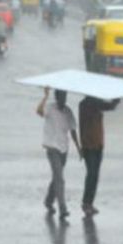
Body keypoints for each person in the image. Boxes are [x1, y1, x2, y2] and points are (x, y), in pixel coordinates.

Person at [36, 88, 81, 218]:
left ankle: (48, 201)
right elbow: (39, 111)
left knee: (57, 177)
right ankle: (63, 208)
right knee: (60, 179)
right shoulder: (50, 108)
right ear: (57, 97)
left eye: (65, 96)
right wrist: (45, 97)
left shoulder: (68, 111)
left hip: (63, 149)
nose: (63, 98)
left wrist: (79, 148)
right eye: (61, 96)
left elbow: (73, 131)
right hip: (51, 148)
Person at [79, 96, 120, 216]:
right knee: (91, 174)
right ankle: (86, 203)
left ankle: (89, 203)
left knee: (95, 175)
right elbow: (84, 123)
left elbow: (110, 107)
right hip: (88, 146)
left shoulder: (97, 103)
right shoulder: (84, 104)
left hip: (98, 144)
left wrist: (116, 101)